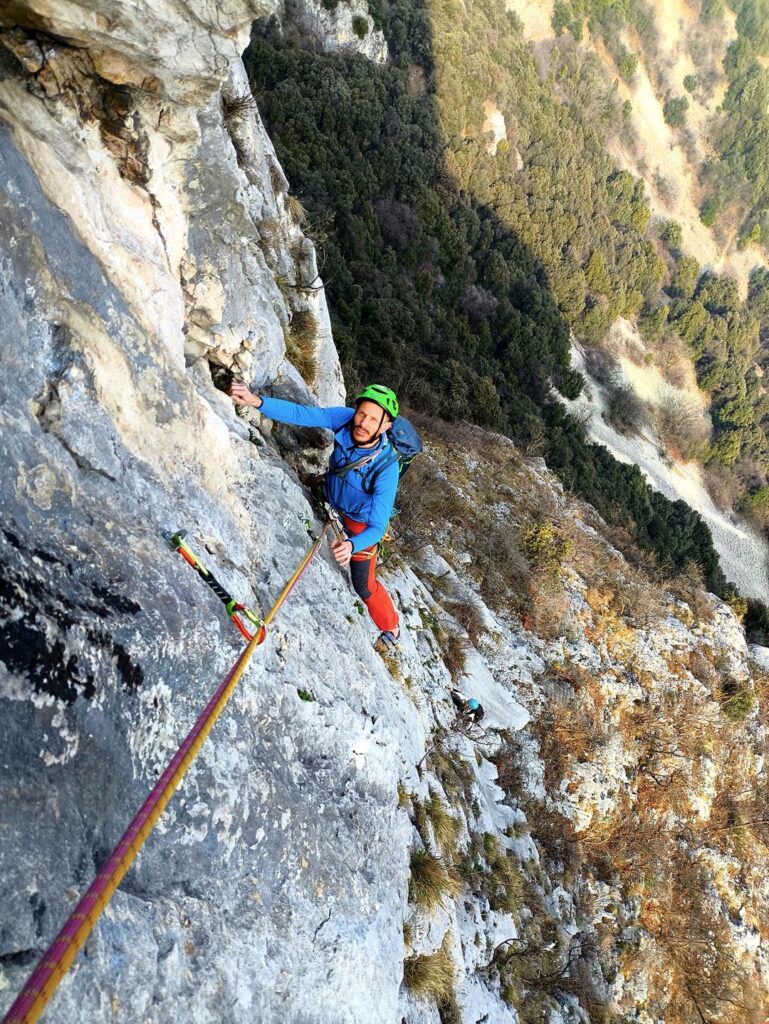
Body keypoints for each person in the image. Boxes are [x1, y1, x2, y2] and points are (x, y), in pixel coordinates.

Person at [229, 381, 402, 652]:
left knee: (363, 586)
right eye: (361, 413)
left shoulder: (386, 466)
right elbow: (303, 414)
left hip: (358, 522)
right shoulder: (345, 419)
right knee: (316, 483)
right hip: (331, 491)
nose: (363, 422)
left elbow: (378, 526)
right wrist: (256, 401)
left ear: (385, 427)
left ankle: (391, 625)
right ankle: (313, 480)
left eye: (372, 420)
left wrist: (352, 545)